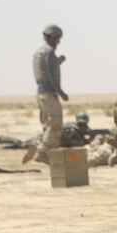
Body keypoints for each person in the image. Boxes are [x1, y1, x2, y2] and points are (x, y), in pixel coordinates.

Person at [25, 24, 69, 166]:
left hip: (40, 93)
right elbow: (50, 73)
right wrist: (60, 91)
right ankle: (44, 152)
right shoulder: (49, 51)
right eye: (57, 38)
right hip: (49, 92)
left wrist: (58, 62)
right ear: (51, 37)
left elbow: (46, 69)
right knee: (56, 123)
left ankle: (45, 152)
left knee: (47, 123)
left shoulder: (39, 52)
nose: (58, 42)